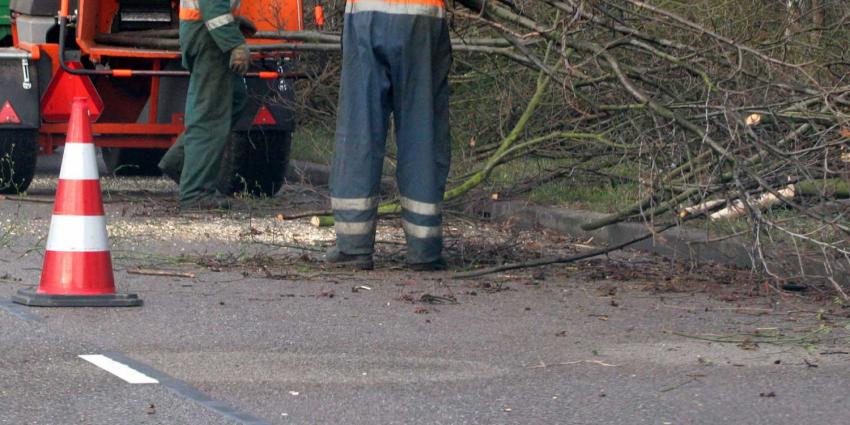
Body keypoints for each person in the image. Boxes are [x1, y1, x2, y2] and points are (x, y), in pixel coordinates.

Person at [325, 0, 453, 270]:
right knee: (423, 131)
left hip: (366, 15)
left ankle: (353, 247)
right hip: (423, 17)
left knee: (360, 128)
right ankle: (424, 251)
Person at [158, 0, 255, 209]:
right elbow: (211, 5)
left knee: (234, 100)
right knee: (210, 115)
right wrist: (233, 41)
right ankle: (196, 193)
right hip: (209, 38)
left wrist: (235, 22)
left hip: (206, 33)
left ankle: (182, 162)